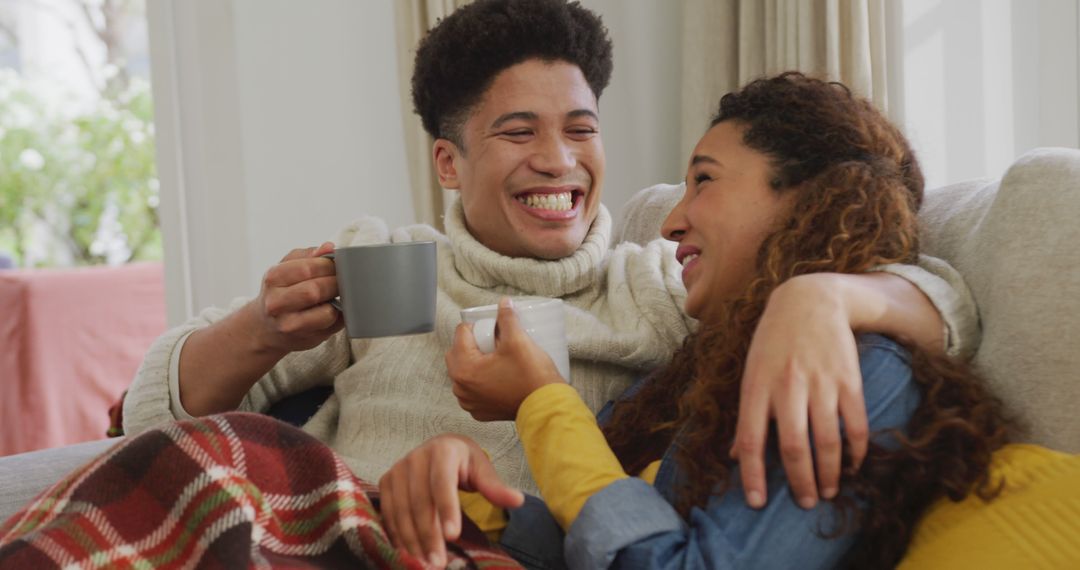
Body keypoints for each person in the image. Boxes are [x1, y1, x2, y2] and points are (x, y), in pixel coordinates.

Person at [123, 0, 973, 524]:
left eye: (580, 128)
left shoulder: (660, 286)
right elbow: (150, 413)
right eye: (518, 131)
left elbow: (946, 299)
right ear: (449, 163)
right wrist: (260, 330)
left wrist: (822, 300)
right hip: (331, 529)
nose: (559, 161)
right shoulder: (387, 267)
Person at [380, 73, 1009, 569]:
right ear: (449, 163)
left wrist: (544, 403)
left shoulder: (849, 369)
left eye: (703, 182)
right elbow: (595, 542)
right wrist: (474, 505)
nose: (671, 220)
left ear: (809, 199)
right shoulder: (711, 359)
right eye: (518, 132)